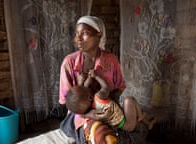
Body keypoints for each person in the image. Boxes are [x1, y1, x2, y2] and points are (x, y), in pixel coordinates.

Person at [59, 15, 150, 144]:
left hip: (108, 111)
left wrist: (107, 104)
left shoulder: (111, 60)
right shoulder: (69, 63)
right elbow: (68, 101)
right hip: (80, 115)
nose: (78, 39)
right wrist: (90, 114)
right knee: (101, 134)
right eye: (76, 34)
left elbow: (119, 87)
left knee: (136, 127)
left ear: (99, 35)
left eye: (84, 33)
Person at [65, 70, 156, 132]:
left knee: (127, 104)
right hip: (127, 124)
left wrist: (84, 80)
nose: (85, 85)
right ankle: (141, 117)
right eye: (83, 87)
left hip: (120, 123)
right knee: (128, 100)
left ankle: (146, 121)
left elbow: (85, 89)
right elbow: (106, 87)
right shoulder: (98, 97)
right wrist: (96, 76)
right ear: (89, 97)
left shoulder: (91, 112)